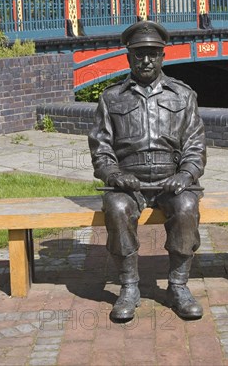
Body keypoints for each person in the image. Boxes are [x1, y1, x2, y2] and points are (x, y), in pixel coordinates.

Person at [88, 20, 207, 322]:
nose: (146, 60)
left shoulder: (183, 96)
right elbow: (101, 149)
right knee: (115, 207)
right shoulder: (111, 98)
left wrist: (186, 174)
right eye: (139, 54)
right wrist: (114, 175)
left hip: (172, 181)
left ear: (162, 56)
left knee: (188, 206)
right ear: (128, 57)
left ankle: (178, 286)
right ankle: (129, 287)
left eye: (153, 53)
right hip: (129, 183)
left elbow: (195, 145)